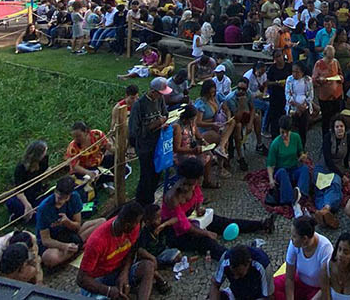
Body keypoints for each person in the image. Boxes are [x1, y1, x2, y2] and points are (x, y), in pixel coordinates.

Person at [162, 158, 274, 259]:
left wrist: (199, 207)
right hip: (177, 232)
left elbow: (199, 197)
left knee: (224, 222)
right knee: (206, 242)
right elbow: (184, 225)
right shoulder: (173, 197)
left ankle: (261, 224)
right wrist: (206, 233)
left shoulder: (193, 184)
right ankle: (233, 258)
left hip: (193, 219)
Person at [77, 202, 155, 300]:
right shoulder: (96, 242)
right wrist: (109, 291)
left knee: (148, 266)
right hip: (96, 281)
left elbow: (131, 251)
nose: (138, 225)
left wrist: (124, 273)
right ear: (127, 225)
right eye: (137, 222)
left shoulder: (133, 227)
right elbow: (81, 279)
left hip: (117, 271)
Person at [36, 176, 104, 268]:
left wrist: (67, 222)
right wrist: (64, 246)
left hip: (70, 233)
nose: (60, 201)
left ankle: (75, 247)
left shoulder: (75, 197)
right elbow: (46, 240)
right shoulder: (44, 208)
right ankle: (77, 246)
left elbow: (77, 226)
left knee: (102, 222)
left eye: (64, 198)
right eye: (59, 197)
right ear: (55, 191)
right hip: (54, 240)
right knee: (50, 258)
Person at [130, 77, 170, 205]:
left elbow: (165, 114)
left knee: (157, 172)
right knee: (146, 175)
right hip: (145, 145)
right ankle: (141, 202)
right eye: (159, 94)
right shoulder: (139, 105)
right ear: (153, 92)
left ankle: (150, 199)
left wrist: (162, 122)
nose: (160, 96)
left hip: (158, 142)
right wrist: (155, 124)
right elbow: (134, 130)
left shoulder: (160, 100)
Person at [273, 216, 334, 300]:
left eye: (294, 236)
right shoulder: (294, 244)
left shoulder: (325, 249)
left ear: (304, 239)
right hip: (299, 281)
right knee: (272, 286)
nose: (291, 239)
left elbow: (326, 287)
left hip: (317, 290)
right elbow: (290, 278)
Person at [314, 117, 350, 229]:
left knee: (335, 185)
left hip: (337, 169)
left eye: (341, 126)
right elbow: (328, 160)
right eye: (337, 127)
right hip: (323, 168)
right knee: (321, 190)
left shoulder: (349, 138)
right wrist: (343, 176)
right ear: (333, 129)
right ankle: (327, 210)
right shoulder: (327, 138)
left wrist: (346, 167)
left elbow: (347, 155)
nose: (340, 129)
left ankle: (324, 210)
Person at [267, 115, 310, 209]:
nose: (284, 135)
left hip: (293, 168)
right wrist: (271, 179)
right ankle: (290, 199)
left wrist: (302, 156)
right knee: (282, 172)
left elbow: (300, 152)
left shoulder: (296, 137)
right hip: (281, 170)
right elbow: (270, 164)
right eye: (282, 132)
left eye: (286, 132)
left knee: (305, 169)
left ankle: (301, 194)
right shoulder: (275, 143)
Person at [5, 140, 49, 222]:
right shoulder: (21, 168)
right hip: (24, 196)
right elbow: (19, 191)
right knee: (11, 202)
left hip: (37, 193)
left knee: (50, 200)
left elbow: (44, 174)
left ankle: (22, 216)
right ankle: (30, 215)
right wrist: (27, 205)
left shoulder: (44, 160)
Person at [314, 45, 344, 133]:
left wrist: (341, 78)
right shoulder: (319, 64)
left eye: (332, 57)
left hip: (336, 94)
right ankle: (326, 137)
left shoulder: (335, 62)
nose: (330, 60)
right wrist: (320, 80)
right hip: (325, 96)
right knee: (326, 118)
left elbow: (340, 73)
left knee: (337, 117)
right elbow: (314, 79)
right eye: (329, 58)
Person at [286, 62, 314, 149]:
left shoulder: (308, 80)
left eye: (297, 72)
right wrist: (297, 106)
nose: (295, 74)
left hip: (304, 108)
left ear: (302, 72)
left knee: (303, 130)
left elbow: (310, 95)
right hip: (293, 108)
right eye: (293, 71)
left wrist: (303, 106)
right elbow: (288, 96)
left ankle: (302, 148)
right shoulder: (289, 80)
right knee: (293, 130)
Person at [267, 49, 292, 139]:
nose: (279, 58)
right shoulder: (272, 69)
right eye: (276, 57)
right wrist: (276, 83)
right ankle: (275, 137)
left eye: (280, 56)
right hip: (276, 96)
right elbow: (268, 82)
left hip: (287, 95)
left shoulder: (289, 66)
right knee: (275, 118)